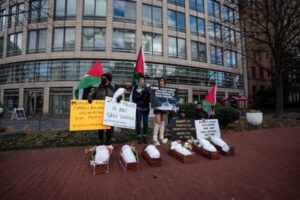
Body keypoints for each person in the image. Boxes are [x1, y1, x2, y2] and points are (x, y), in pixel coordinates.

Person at [88, 73, 119, 145]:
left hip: (110, 111)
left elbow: (117, 97)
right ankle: (101, 139)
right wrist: (90, 97)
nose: (103, 79)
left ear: (108, 79)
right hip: (100, 111)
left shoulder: (113, 89)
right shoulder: (97, 88)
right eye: (102, 78)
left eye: (104, 78)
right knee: (100, 126)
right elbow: (91, 94)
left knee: (110, 127)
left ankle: (109, 139)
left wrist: (118, 98)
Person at [132, 75, 151, 144]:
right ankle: (139, 137)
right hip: (138, 108)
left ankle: (145, 136)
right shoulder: (135, 88)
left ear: (144, 81)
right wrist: (142, 92)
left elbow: (150, 98)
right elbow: (134, 98)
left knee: (146, 123)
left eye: (142, 79)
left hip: (146, 108)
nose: (141, 81)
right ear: (138, 81)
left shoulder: (148, 88)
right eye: (140, 80)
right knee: (138, 123)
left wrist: (148, 92)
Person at [153, 77, 168, 146]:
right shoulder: (155, 89)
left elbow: (169, 99)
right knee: (158, 122)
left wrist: (171, 107)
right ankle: (155, 139)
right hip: (157, 107)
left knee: (163, 122)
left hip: (164, 108)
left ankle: (161, 138)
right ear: (159, 82)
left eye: (163, 81)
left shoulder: (167, 90)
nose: (162, 82)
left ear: (164, 82)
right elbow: (153, 97)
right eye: (161, 81)